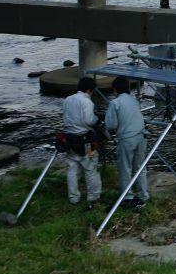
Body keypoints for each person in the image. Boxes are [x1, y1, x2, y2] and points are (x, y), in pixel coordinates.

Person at [103, 76, 150, 208]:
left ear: (115, 89)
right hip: (141, 135)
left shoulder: (115, 103)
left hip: (127, 138)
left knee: (125, 168)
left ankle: (127, 196)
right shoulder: (134, 100)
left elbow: (111, 124)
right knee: (140, 168)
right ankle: (143, 195)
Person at [60, 76, 102, 207]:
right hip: (85, 140)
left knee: (72, 170)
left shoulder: (68, 99)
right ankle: (93, 196)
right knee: (90, 168)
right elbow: (89, 120)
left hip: (69, 139)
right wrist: (98, 120)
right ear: (89, 90)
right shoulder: (86, 102)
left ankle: (73, 197)